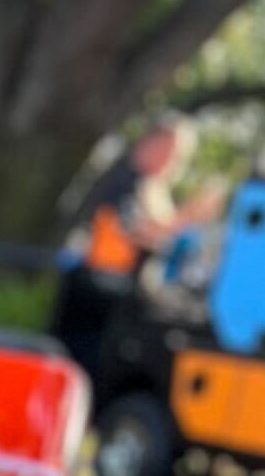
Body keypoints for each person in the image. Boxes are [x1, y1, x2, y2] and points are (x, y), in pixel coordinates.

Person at [56, 121, 201, 376]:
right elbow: (135, 231)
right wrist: (187, 217)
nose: (171, 161)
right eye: (167, 151)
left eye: (177, 155)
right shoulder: (125, 180)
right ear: (148, 144)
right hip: (98, 290)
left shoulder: (152, 187)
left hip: (123, 296)